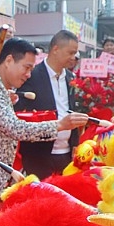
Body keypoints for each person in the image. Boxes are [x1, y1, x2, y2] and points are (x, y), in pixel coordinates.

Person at [0, 38, 88, 218]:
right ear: (9, 60)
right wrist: (60, 125)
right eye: (26, 68)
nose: (29, 75)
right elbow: (16, 128)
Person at [14, 30, 82, 180]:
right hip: (38, 153)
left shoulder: (70, 77)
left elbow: (72, 109)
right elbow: (19, 110)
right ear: (55, 49)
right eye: (70, 53)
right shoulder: (32, 75)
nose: (74, 57)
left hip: (66, 153)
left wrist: (75, 143)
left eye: (75, 53)